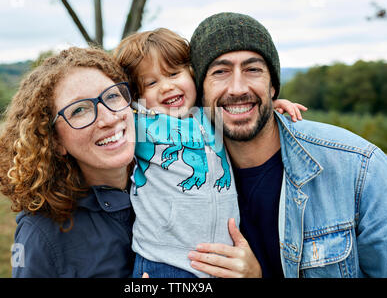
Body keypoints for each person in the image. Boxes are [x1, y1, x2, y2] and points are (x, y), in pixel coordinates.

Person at [187, 12, 387, 278]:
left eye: (253, 70)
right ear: (200, 91)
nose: (237, 88)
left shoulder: (360, 169)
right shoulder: (177, 169)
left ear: (273, 86)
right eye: (220, 72)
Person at [114, 28, 306, 278]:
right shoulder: (140, 125)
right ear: (138, 96)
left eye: (173, 73)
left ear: (192, 73)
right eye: (151, 82)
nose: (166, 86)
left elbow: (242, 110)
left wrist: (273, 106)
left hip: (223, 261)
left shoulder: (209, 116)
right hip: (165, 261)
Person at [0, 47, 137, 277]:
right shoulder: (41, 235)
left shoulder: (171, 183)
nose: (109, 118)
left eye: (112, 96)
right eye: (79, 109)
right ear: (55, 140)